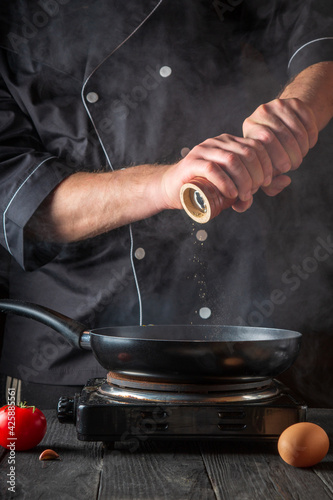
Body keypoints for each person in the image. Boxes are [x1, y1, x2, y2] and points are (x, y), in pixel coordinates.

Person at [0, 0, 333, 408]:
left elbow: (314, 28)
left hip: (228, 340)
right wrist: (165, 184)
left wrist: (296, 113)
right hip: (68, 355)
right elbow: (27, 205)